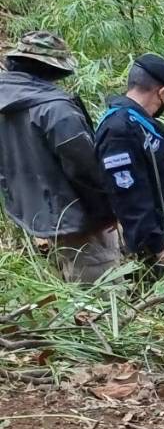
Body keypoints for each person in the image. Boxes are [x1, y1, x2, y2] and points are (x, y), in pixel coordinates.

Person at [0, 32, 120, 283]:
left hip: (34, 213)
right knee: (101, 292)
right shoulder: (56, 110)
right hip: (77, 217)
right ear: (52, 70)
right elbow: (85, 169)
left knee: (68, 283)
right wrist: (107, 213)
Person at [94, 53, 164, 270]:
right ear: (162, 92)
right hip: (162, 233)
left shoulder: (140, 123)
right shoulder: (119, 130)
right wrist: (158, 243)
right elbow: (127, 193)